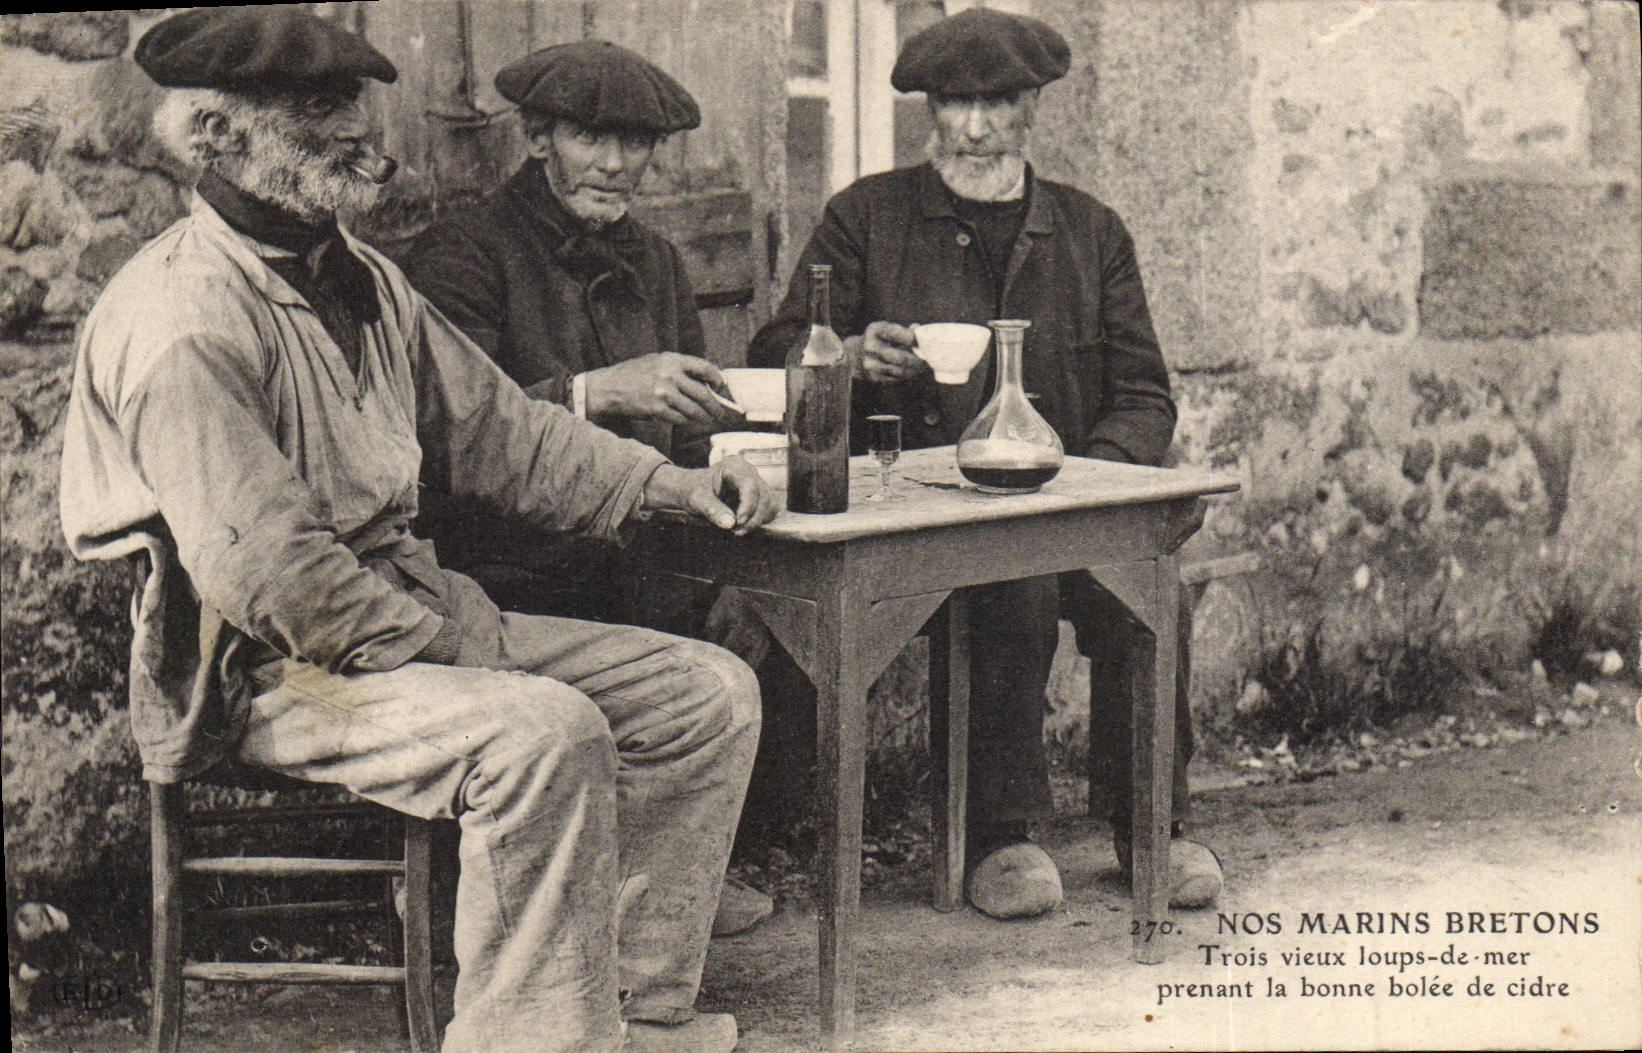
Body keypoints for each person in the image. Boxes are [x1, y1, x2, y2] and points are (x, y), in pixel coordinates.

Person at [57, 8, 778, 1052]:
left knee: (706, 694)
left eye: (355, 100)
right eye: (317, 109)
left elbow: (499, 432)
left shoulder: (355, 276)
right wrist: (457, 648)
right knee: (542, 729)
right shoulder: (185, 319)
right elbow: (278, 580)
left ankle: (636, 1013)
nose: (361, 130)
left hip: (406, 611)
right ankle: (531, 1040)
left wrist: (666, 485)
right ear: (216, 136)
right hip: (263, 671)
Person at [748, 7, 1222, 919]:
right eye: (952, 104)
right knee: (1014, 587)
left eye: (995, 103)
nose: (972, 128)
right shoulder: (865, 218)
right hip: (915, 521)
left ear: (1031, 106)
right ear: (929, 109)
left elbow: (1144, 394)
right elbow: (780, 350)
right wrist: (848, 353)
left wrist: (1093, 487)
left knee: (1155, 588)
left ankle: (1151, 825)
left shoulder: (1092, 232)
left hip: (1070, 506)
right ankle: (999, 837)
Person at [404, 40, 773, 938]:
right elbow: (441, 441)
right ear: (537, 137)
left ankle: (670, 865)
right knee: (610, 617)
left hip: (639, 543)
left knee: (762, 607)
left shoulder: (657, 261)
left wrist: (729, 461)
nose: (615, 164)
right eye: (589, 138)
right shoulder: (465, 251)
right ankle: (574, 897)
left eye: (636, 143)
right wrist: (594, 390)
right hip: (502, 556)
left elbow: (691, 428)